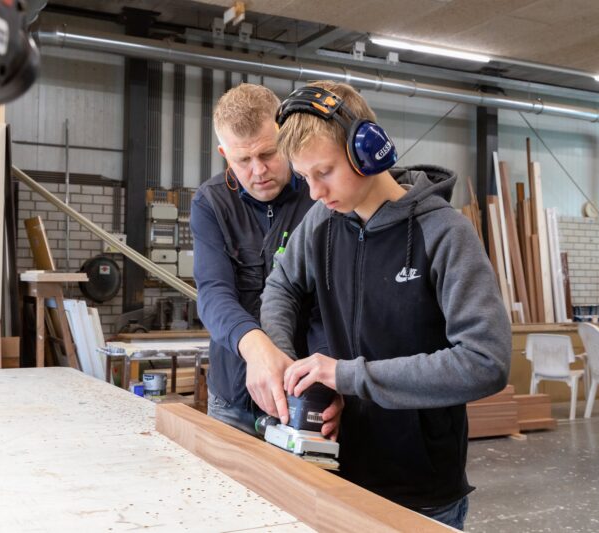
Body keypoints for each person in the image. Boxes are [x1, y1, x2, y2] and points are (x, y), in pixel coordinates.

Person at [260, 80, 511, 530]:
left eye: (325, 172)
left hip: (421, 492)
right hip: (335, 473)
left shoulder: (445, 235)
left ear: (368, 149)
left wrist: (347, 375)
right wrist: (289, 369)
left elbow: (485, 361)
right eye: (304, 178)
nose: (314, 192)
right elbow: (281, 287)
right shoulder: (322, 221)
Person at [190, 83, 338, 437]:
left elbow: (332, 300)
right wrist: (255, 347)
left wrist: (326, 384)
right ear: (225, 154)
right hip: (234, 398)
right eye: (243, 160)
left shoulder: (321, 195)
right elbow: (213, 292)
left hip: (308, 395)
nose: (258, 171)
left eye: (268, 154)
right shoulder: (210, 203)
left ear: (284, 136)